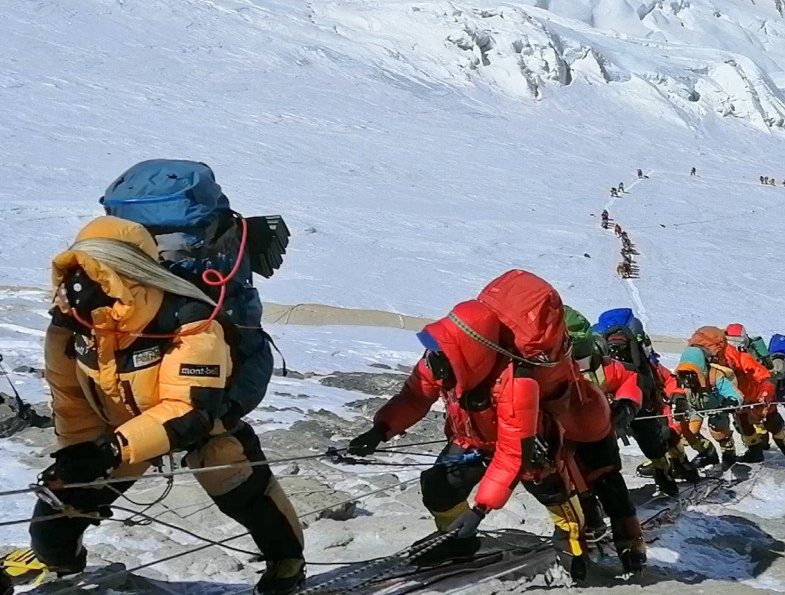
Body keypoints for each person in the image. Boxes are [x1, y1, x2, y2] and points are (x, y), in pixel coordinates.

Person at [25, 217, 304, 594]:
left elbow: (190, 411)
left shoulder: (190, 320)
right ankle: (67, 572)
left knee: (249, 500)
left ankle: (287, 565)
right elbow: (71, 396)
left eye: (92, 271)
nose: (77, 284)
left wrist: (110, 449)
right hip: (122, 431)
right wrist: (78, 452)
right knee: (54, 520)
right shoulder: (73, 326)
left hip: (201, 427)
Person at [349, 271, 640, 579]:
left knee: (557, 502)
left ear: (465, 351)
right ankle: (458, 541)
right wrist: (381, 429)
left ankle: (576, 549)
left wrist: (480, 510)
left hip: (532, 448)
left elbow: (513, 454)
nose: (431, 359)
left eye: (440, 352)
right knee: (438, 488)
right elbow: (415, 396)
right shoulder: (443, 356)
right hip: (470, 439)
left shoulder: (516, 384)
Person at [588, 308, 696, 495]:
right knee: (658, 441)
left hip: (615, 412)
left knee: (658, 439)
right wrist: (677, 396)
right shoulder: (645, 364)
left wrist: (677, 396)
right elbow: (666, 378)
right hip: (642, 409)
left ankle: (670, 468)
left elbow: (666, 379)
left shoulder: (603, 367)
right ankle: (668, 471)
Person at [673, 338, 744, 468]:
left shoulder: (715, 376)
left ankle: (729, 453)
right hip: (695, 408)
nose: (688, 378)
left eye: (692, 373)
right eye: (685, 373)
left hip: (717, 408)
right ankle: (707, 452)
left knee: (718, 429)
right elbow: (673, 390)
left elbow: (735, 393)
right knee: (689, 432)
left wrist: (732, 402)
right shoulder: (680, 379)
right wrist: (678, 403)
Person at [720, 325, 782, 462]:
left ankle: (763, 448)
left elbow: (763, 373)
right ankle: (763, 447)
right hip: (753, 391)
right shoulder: (746, 352)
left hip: (753, 390)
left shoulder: (741, 356)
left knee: (756, 421)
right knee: (751, 421)